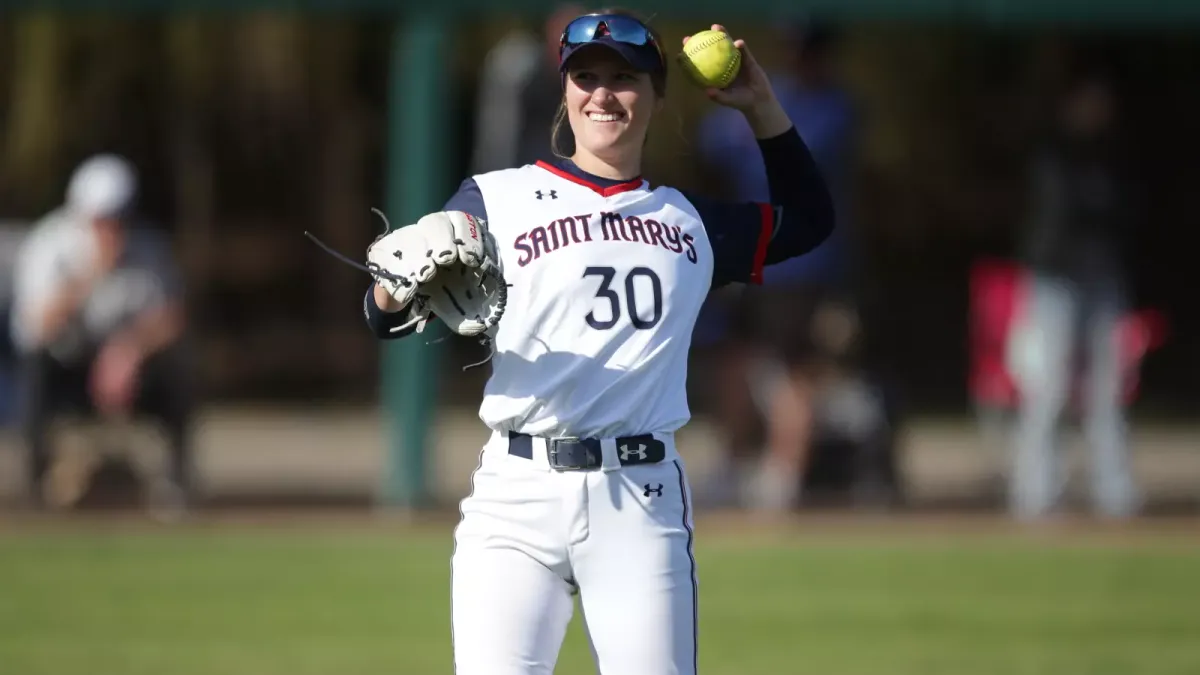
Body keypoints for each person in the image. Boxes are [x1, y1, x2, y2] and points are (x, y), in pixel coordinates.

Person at [363, 10, 833, 674]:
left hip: (638, 499)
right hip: (515, 498)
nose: (603, 94)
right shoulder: (496, 200)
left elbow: (810, 220)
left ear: (656, 96)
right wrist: (391, 280)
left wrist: (762, 107)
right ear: (564, 91)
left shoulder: (690, 220)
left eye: (625, 79)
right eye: (585, 76)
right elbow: (384, 318)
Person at [692, 20, 863, 510]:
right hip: (750, 253)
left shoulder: (837, 107)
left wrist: (758, 113)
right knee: (733, 362)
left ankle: (783, 477)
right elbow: (715, 142)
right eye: (797, 48)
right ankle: (731, 463)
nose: (803, 58)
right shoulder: (771, 95)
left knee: (794, 375)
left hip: (806, 266)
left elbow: (798, 152)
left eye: (812, 49)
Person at [10, 154, 193, 512]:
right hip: (67, 366)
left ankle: (175, 486)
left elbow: (172, 317)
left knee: (177, 373)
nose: (111, 229)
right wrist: (93, 272)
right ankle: (35, 488)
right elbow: (36, 325)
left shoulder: (149, 248)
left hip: (126, 366)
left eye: (118, 218)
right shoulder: (49, 245)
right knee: (35, 372)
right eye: (101, 220)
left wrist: (130, 349)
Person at [1009, 68, 1139, 520]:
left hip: (1103, 279)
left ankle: (1114, 488)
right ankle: (1036, 489)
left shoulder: (1113, 156)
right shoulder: (1053, 153)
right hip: (1054, 280)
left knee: (1109, 387)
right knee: (1048, 386)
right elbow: (1058, 213)